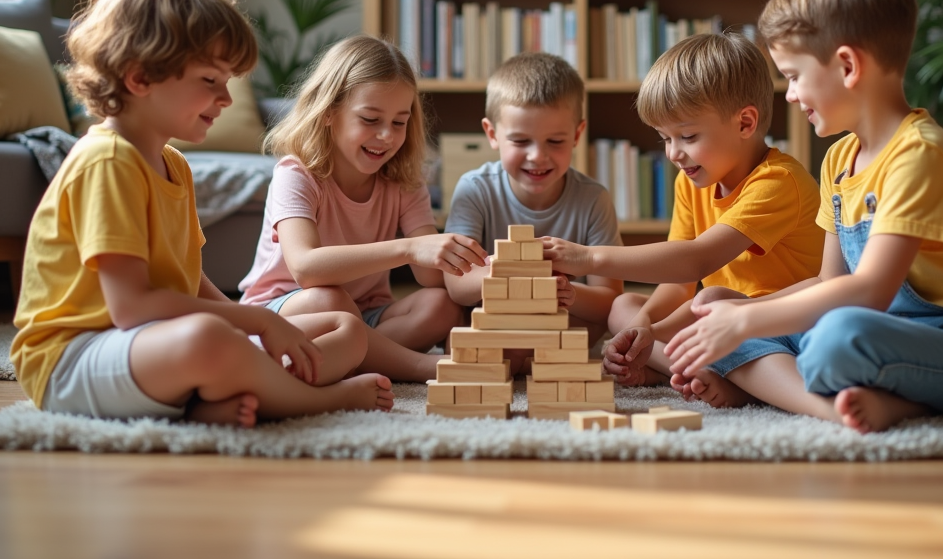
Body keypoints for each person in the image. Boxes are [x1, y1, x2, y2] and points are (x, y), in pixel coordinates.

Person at [663, 0, 943, 433]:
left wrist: (746, 325)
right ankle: (849, 403)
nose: (791, 94)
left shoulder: (918, 155)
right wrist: (737, 314)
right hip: (887, 335)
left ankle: (830, 397)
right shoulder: (840, 160)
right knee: (716, 301)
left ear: (846, 66)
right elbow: (828, 282)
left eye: (795, 76)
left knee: (834, 338)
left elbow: (869, 290)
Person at [10, 0, 393, 429]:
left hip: (152, 347)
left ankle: (207, 402)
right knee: (211, 338)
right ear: (139, 77)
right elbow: (131, 308)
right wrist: (256, 324)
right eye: (210, 81)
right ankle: (313, 400)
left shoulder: (174, 165)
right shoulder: (107, 162)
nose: (227, 98)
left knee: (346, 329)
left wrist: (253, 321)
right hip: (73, 359)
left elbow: (189, 279)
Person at [544, 33, 823, 406]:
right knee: (624, 310)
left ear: (745, 123)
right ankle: (705, 371)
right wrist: (645, 327)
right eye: (664, 138)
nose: (674, 153)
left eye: (688, 136)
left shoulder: (778, 181)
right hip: (715, 319)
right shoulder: (692, 179)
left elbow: (697, 258)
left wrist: (589, 257)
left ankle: (728, 378)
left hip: (782, 326)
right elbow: (679, 284)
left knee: (711, 299)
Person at [239, 35, 484, 382]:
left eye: (399, 122)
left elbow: (430, 277)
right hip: (290, 311)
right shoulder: (296, 174)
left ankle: (348, 357)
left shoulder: (404, 181)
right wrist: (410, 248)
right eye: (370, 119)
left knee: (440, 305)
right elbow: (306, 270)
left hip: (365, 315)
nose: (386, 135)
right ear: (328, 113)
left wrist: (459, 258)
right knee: (327, 300)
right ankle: (412, 365)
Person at [443, 53, 624, 356]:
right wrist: (516, 271)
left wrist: (571, 292)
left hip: (562, 324)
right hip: (496, 320)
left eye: (555, 141)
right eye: (520, 141)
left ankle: (528, 359)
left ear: (577, 134)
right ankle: (522, 359)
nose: (537, 156)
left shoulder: (593, 199)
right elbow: (457, 287)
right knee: (458, 329)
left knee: (598, 320)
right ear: (492, 134)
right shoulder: (474, 189)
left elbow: (610, 299)